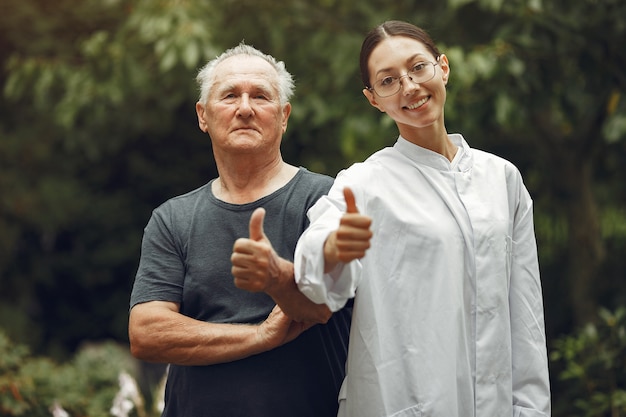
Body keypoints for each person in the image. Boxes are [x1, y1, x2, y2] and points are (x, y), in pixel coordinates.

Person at [243, 21, 551, 416]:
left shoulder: (502, 179)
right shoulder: (365, 183)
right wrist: (333, 248)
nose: (409, 87)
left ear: (443, 67)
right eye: (388, 80)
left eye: (418, 67)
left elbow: (525, 312)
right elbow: (317, 276)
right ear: (373, 99)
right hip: (402, 402)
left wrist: (531, 408)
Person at [128, 43, 351, 417]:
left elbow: (322, 306)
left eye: (260, 96)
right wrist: (259, 335)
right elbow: (147, 332)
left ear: (284, 116)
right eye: (230, 95)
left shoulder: (328, 200)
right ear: (203, 115)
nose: (245, 108)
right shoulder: (173, 218)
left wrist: (279, 280)